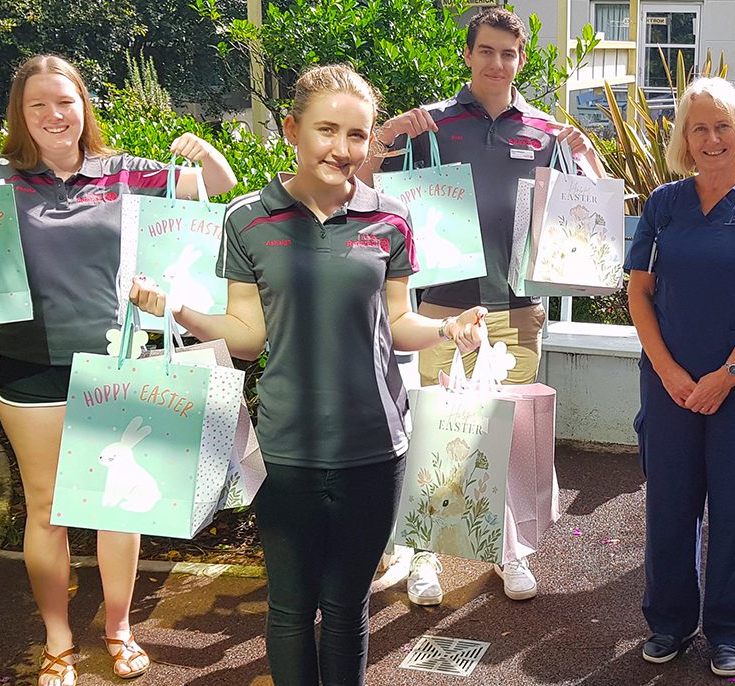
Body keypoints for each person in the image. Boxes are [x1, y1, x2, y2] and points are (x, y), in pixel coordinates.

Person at [0, 55, 237, 685]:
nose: (53, 115)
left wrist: (203, 150)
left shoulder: (124, 173)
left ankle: (118, 628)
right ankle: (58, 641)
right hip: (28, 365)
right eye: (37, 105)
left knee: (117, 509)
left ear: (82, 105)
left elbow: (217, 185)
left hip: (116, 360)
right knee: (47, 510)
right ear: (21, 115)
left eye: (63, 101)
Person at [130, 64, 486, 686]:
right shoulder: (247, 219)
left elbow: (398, 322)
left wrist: (446, 329)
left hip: (375, 447)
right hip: (287, 449)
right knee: (291, 610)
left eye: (357, 135)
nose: (342, 149)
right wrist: (178, 310)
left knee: (348, 609)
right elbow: (247, 337)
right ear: (293, 129)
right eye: (327, 130)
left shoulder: (392, 218)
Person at [356, 5, 603, 607]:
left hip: (517, 306)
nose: (498, 63)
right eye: (487, 51)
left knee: (509, 434)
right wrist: (386, 135)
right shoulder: (432, 125)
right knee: (439, 432)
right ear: (468, 55)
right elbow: (364, 189)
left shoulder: (544, 131)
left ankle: (508, 551)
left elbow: (589, 210)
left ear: (521, 59)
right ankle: (425, 557)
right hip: (442, 310)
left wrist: (587, 152)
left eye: (509, 53)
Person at [624, 77, 735, 678]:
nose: (711, 138)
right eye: (698, 127)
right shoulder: (663, 205)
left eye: (722, 125)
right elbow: (639, 291)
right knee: (670, 508)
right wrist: (671, 371)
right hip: (670, 387)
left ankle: (731, 631)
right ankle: (670, 624)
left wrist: (725, 375)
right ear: (683, 137)